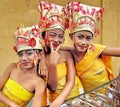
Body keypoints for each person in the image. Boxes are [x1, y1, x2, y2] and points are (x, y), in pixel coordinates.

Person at [62, 1, 120, 95]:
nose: (83, 42)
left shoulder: (96, 49)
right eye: (80, 37)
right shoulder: (70, 53)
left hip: (108, 97)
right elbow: (52, 48)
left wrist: (118, 80)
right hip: (90, 100)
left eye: (88, 38)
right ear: (71, 36)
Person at [39, 1, 82, 107]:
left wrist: (58, 102)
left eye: (60, 36)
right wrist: (52, 64)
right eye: (52, 35)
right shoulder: (41, 60)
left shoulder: (66, 55)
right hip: (53, 102)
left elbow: (71, 81)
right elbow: (52, 87)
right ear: (44, 36)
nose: (57, 40)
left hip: (75, 101)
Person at [0, 25, 46, 107]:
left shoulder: (39, 83)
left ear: (40, 55)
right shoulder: (12, 67)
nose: (24, 58)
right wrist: (13, 105)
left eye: (29, 53)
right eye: (20, 54)